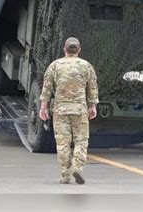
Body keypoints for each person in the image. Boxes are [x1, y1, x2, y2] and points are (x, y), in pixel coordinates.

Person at [39, 37, 98, 184]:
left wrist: (43, 108)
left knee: (63, 143)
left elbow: (46, 88)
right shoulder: (86, 66)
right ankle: (77, 167)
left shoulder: (55, 66)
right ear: (79, 50)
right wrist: (92, 106)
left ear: (64, 50)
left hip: (61, 110)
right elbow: (92, 88)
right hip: (79, 110)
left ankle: (65, 175)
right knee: (81, 140)